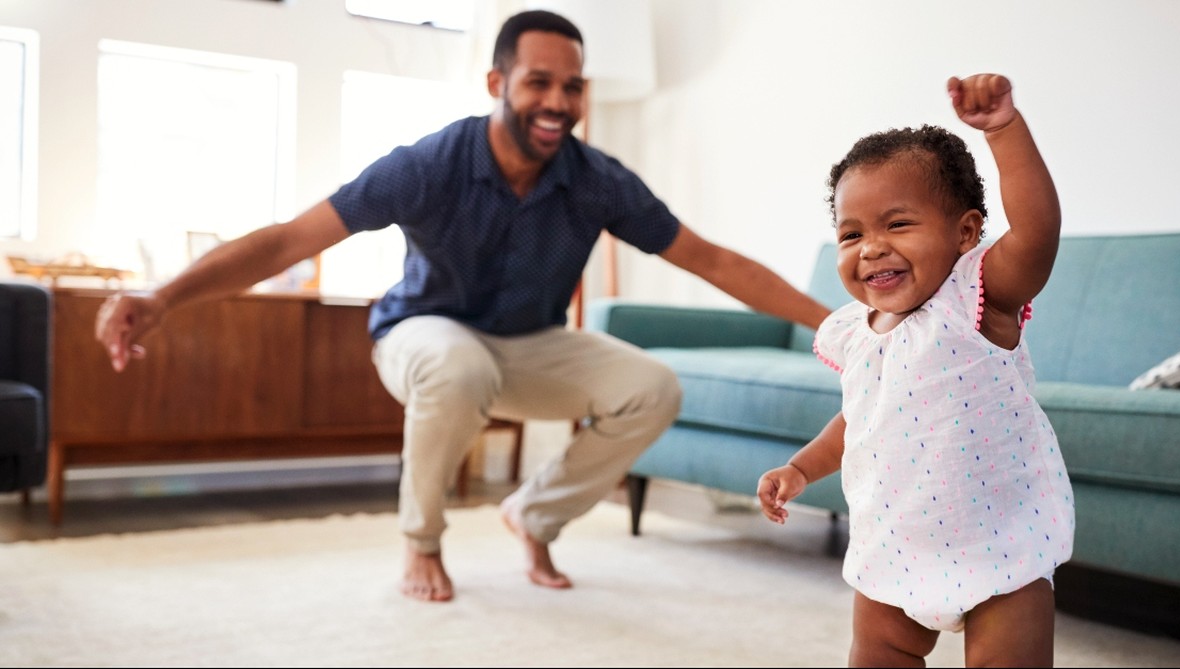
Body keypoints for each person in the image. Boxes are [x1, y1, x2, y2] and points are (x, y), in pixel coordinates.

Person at [94, 9, 830, 604]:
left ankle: (533, 514)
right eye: (539, 82)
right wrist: (163, 297)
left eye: (573, 87)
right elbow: (289, 239)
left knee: (654, 386)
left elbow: (711, 259)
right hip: (422, 337)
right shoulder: (427, 165)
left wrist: (831, 322)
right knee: (454, 363)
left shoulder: (597, 179)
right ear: (496, 80)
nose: (558, 103)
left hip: (529, 343)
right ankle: (421, 539)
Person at [756, 73, 1074, 667]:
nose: (870, 247)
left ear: (966, 233)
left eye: (897, 225)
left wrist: (1003, 132)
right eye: (852, 234)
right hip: (894, 544)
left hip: (998, 546)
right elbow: (861, 419)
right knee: (875, 654)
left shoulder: (975, 301)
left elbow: (1037, 233)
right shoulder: (857, 331)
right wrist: (801, 469)